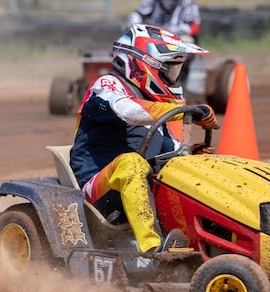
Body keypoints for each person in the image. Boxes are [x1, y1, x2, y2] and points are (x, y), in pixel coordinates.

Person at [69, 24, 217, 254]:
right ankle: (152, 249)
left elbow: (170, 149)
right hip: (97, 192)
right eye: (170, 71)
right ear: (144, 66)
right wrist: (183, 110)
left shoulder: (153, 107)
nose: (173, 78)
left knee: (196, 168)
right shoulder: (106, 86)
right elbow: (127, 111)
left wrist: (192, 156)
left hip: (138, 188)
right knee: (132, 163)